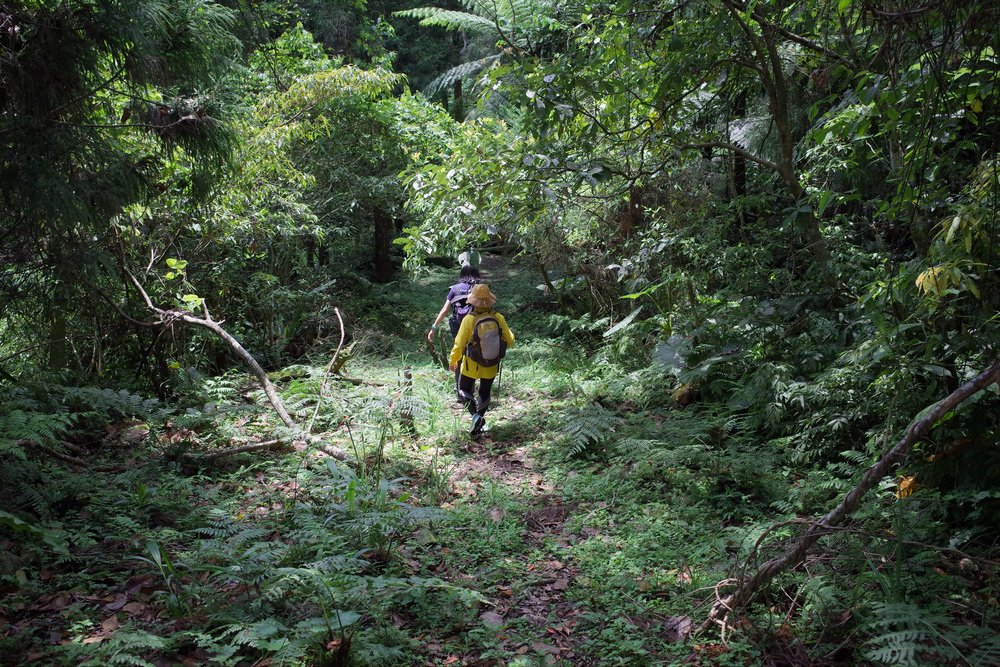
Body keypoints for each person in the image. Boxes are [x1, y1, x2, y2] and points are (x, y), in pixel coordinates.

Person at [449, 284, 515, 435]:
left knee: (464, 389)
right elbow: (510, 340)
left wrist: (453, 360)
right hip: (491, 362)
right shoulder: (498, 317)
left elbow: (459, 343)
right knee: (485, 391)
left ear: (472, 301)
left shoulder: (468, 320)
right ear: (490, 300)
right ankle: (480, 418)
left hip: (471, 363)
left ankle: (475, 416)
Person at [428, 265, 481, 388]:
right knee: (473, 355)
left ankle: (459, 390)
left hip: (458, 326)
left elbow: (445, 310)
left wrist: (434, 328)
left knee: (459, 354)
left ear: (462, 275)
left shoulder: (454, 289)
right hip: (475, 326)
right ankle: (470, 390)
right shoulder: (479, 288)